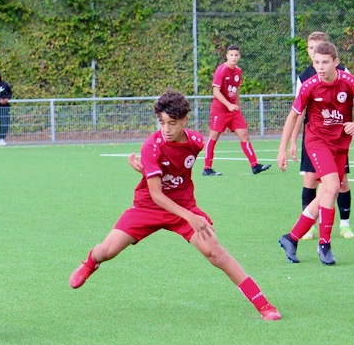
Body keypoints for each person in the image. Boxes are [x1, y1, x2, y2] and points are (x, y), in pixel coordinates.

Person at [69, 90, 281, 321]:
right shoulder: (151, 146)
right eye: (162, 123)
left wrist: (151, 173)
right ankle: (90, 263)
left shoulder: (196, 142)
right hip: (148, 206)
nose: (166, 129)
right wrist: (189, 215)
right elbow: (156, 194)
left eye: (172, 123)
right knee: (106, 251)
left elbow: (174, 169)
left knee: (216, 253)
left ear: (184, 121)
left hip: (182, 205)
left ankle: (263, 304)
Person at [277, 41, 354, 265]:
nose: (320, 67)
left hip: (340, 145)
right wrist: (282, 149)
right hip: (317, 142)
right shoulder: (309, 86)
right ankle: (324, 244)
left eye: (325, 62)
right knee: (332, 187)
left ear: (335, 62)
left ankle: (291, 238)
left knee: (326, 194)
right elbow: (293, 116)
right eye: (317, 62)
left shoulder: (350, 82)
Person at [202, 45, 270, 176]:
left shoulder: (238, 71)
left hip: (233, 110)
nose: (234, 57)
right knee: (213, 137)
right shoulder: (221, 70)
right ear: (227, 56)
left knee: (244, 135)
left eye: (236, 55)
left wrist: (236, 105)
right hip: (220, 109)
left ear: (239, 56)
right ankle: (207, 168)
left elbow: (236, 89)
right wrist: (228, 105)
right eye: (231, 55)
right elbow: (216, 91)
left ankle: (255, 165)